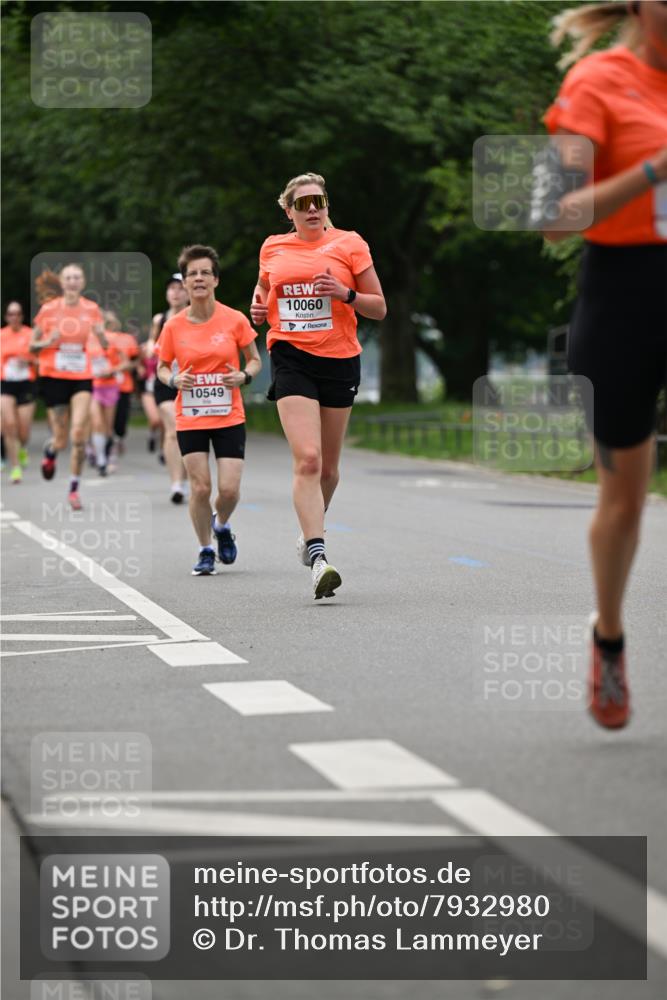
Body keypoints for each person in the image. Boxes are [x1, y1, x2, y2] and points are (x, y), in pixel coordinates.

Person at [543, 0, 667, 728]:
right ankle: (609, 638)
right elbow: (557, 217)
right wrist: (654, 169)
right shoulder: (598, 80)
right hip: (626, 297)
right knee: (623, 500)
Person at [250, 172, 386, 599]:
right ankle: (318, 555)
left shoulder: (351, 244)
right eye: (302, 203)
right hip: (291, 357)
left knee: (327, 469)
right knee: (308, 460)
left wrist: (345, 294)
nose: (312, 209)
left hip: (340, 360)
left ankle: (310, 529)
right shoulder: (273, 247)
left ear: (327, 206)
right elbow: (263, 288)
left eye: (318, 201)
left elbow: (379, 308)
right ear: (288, 211)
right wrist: (258, 306)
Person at [157, 245, 261, 575]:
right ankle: (205, 549)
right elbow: (161, 366)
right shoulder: (173, 326)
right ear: (185, 283)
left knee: (228, 490)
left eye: (205, 273)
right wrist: (173, 379)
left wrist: (243, 376)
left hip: (228, 415)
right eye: (192, 274)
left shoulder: (235, 319)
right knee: (200, 487)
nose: (199, 278)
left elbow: (255, 360)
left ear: (215, 280)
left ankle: (222, 525)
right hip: (191, 417)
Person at [30, 263, 108, 510]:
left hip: (81, 376)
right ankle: (51, 452)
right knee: (61, 440)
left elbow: (105, 345)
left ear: (82, 283)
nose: (73, 281)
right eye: (68, 278)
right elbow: (32, 346)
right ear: (62, 283)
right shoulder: (49, 310)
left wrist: (101, 335)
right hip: (54, 377)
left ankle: (74, 489)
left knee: (78, 435)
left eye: (77, 277)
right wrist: (47, 341)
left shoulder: (91, 309)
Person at [152, 273, 190, 503]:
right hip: (166, 380)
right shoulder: (160, 320)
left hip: (190, 381)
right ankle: (176, 483)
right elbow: (152, 345)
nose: (175, 292)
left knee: (184, 431)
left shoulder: (194, 317)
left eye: (180, 288)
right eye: (172, 288)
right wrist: (149, 348)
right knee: (173, 428)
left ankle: (183, 479)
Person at [88, 312, 129, 476]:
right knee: (97, 423)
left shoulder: (112, 340)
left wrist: (111, 370)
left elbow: (125, 363)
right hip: (93, 386)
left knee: (108, 427)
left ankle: (110, 455)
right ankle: (101, 461)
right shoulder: (87, 341)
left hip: (110, 386)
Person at [1, 301, 36, 483]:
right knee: (9, 425)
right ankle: (15, 467)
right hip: (6, 384)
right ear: (6, 317)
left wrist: (28, 361)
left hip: (25, 384)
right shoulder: (1, 335)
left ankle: (22, 448)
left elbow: (41, 360)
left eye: (17, 314)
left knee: (23, 431)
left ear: (22, 316)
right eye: (11, 314)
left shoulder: (30, 334)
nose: (14, 317)